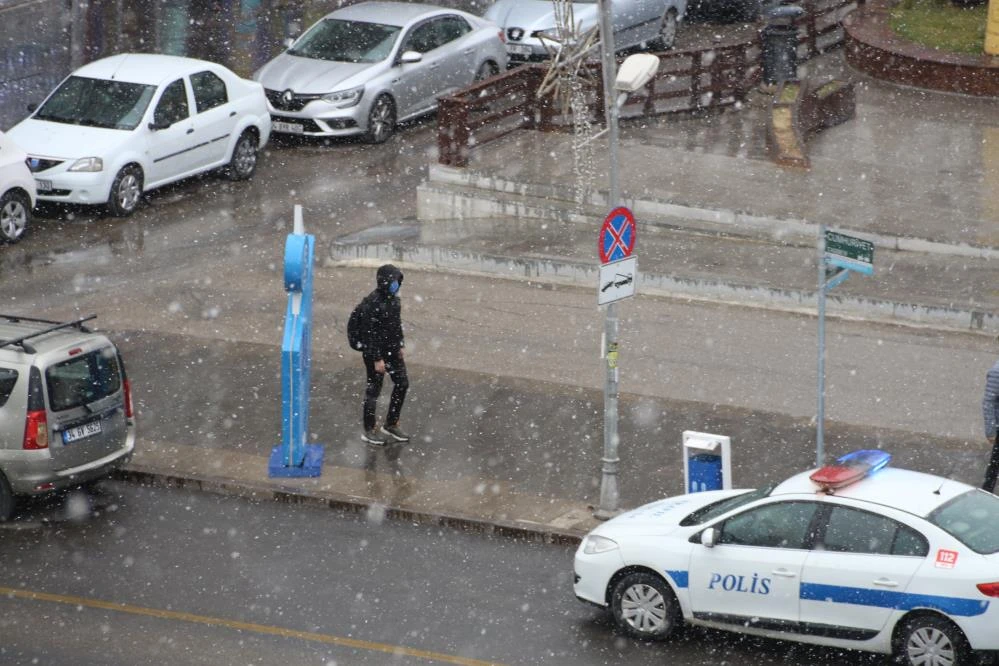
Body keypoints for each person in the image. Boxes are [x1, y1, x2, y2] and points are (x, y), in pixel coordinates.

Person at [356, 264, 410, 446]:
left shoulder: (394, 301)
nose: (396, 284)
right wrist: (377, 359)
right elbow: (368, 334)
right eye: (393, 280)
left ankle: (391, 423)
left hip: (392, 350)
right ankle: (369, 430)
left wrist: (400, 344)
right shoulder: (372, 303)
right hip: (376, 354)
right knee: (373, 391)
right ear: (385, 281)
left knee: (402, 384)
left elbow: (396, 325)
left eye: (398, 281)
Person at [982, 343, 999, 493]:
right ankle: (986, 493)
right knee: (994, 468)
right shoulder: (997, 372)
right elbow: (988, 402)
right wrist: (991, 431)